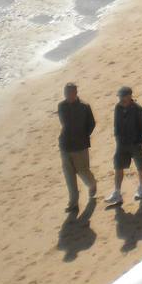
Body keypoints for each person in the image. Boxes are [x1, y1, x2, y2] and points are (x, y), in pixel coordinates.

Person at [58, 83, 97, 213]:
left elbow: (91, 124)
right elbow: (63, 124)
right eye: (65, 93)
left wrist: (83, 136)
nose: (67, 96)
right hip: (65, 146)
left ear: (75, 93)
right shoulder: (61, 106)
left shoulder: (84, 107)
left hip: (80, 146)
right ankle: (73, 203)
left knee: (83, 171)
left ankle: (92, 184)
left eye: (69, 93)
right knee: (69, 176)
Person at [107, 86, 142, 205]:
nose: (121, 99)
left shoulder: (139, 109)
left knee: (140, 166)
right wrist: (117, 138)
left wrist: (141, 142)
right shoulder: (118, 108)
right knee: (118, 167)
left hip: (135, 144)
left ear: (129, 96)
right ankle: (117, 193)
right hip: (121, 144)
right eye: (120, 97)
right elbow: (116, 125)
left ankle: (141, 188)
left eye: (123, 97)